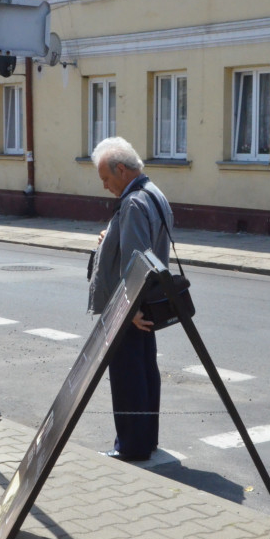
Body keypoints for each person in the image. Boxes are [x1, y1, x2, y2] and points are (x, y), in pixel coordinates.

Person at [87, 137, 173, 462]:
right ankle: (146, 440)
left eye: (107, 179)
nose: (106, 186)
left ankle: (131, 447)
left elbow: (136, 260)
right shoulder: (154, 193)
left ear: (121, 170)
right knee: (146, 371)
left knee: (128, 377)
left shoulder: (134, 202)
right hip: (149, 302)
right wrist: (109, 237)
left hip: (132, 308)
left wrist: (130, 307)